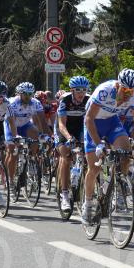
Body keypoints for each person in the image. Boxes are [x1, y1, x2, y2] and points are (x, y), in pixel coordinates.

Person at [81, 68, 134, 224]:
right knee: (94, 168)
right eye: (124, 90)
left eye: (131, 91)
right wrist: (98, 144)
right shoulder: (104, 91)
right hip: (93, 123)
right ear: (117, 85)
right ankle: (88, 203)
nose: (127, 94)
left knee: (125, 153)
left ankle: (118, 188)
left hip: (111, 121)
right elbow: (88, 119)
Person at [56, 76, 90, 213]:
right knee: (66, 155)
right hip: (64, 129)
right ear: (72, 90)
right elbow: (61, 125)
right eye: (78, 90)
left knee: (89, 155)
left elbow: (90, 121)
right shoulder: (65, 100)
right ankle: (64, 194)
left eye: (84, 90)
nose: (81, 93)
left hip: (81, 127)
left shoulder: (89, 99)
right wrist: (69, 138)